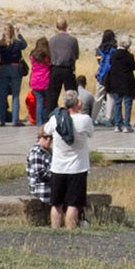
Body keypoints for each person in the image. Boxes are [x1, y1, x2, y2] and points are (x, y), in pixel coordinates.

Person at [44, 89, 94, 229]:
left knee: (56, 203)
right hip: (77, 167)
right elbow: (91, 133)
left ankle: (55, 229)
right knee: (73, 204)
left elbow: (46, 130)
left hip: (58, 167)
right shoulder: (85, 120)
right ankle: (70, 230)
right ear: (78, 102)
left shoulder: (55, 119)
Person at [103, 35, 135, 133]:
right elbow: (134, 67)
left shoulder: (113, 55)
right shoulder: (129, 56)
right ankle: (126, 125)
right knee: (127, 104)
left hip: (115, 82)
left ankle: (117, 125)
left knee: (117, 104)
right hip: (127, 82)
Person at [0, 22, 27, 126]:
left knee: (2, 95)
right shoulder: (17, 43)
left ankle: (1, 119)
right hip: (15, 67)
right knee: (15, 95)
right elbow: (24, 44)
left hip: (4, 67)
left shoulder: (0, 43)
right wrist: (18, 34)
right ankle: (15, 120)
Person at [48, 17, 79, 101]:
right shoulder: (72, 40)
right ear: (66, 26)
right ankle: (72, 112)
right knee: (71, 96)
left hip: (55, 69)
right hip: (67, 69)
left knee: (52, 96)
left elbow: (49, 56)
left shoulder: (51, 40)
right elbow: (76, 56)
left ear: (56, 27)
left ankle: (52, 113)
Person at [25, 131, 54, 220]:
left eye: (51, 138)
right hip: (40, 188)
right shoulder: (36, 152)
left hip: (49, 186)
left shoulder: (49, 151)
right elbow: (40, 174)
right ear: (39, 138)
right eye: (45, 138)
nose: (48, 140)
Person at [28, 36, 52, 127]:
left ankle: (39, 122)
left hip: (35, 81)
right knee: (48, 101)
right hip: (45, 81)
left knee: (39, 102)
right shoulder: (47, 57)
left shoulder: (32, 56)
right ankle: (47, 119)